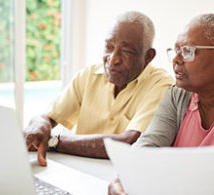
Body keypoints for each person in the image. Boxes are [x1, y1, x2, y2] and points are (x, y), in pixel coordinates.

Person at [108, 13, 214, 195]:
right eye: (176, 50)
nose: (176, 60)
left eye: (187, 51)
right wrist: (121, 182)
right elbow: (146, 150)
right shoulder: (176, 96)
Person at [24, 11, 173, 166]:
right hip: (78, 170)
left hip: (121, 178)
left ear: (148, 56)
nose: (113, 59)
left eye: (126, 51)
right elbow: (47, 117)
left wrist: (54, 142)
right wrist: (39, 125)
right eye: (109, 47)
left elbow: (130, 142)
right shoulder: (89, 75)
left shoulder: (161, 85)